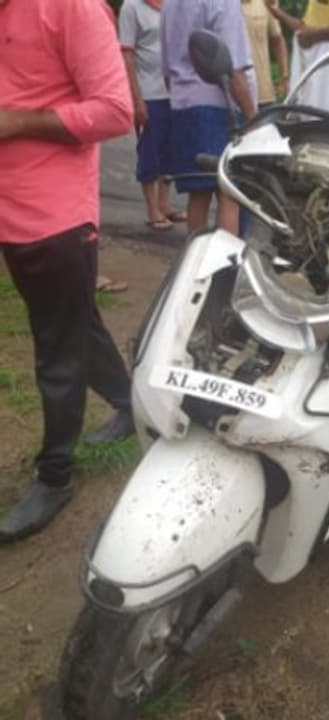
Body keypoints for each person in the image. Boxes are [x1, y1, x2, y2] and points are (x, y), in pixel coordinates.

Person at [0, 0, 137, 542]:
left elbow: (114, 110)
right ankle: (130, 403)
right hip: (8, 209)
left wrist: (19, 121)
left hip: (54, 218)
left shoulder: (71, 6)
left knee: (56, 348)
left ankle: (54, 476)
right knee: (74, 321)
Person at [162, 0, 258, 234]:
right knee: (229, 194)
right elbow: (232, 70)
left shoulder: (170, 4)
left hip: (183, 105)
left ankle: (196, 264)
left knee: (198, 194)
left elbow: (166, 69)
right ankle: (224, 266)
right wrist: (254, 119)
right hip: (218, 107)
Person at [119, 0, 184, 234]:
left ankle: (165, 204)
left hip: (174, 90)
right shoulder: (131, 7)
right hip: (148, 92)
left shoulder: (172, 4)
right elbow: (127, 56)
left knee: (171, 149)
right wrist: (136, 100)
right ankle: (151, 209)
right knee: (150, 149)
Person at [242, 0, 289, 108]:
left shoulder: (265, 2)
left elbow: (277, 40)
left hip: (263, 95)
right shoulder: (219, 5)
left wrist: (284, 76)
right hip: (228, 98)